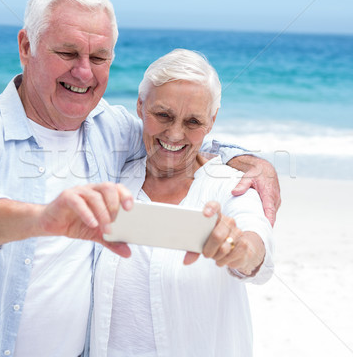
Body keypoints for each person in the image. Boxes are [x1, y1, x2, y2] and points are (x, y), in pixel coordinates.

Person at [0, 0, 280, 357]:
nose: (83, 73)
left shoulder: (113, 129)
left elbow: (177, 140)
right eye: (67, 52)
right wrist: (44, 219)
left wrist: (253, 162)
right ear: (26, 47)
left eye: (98, 58)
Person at [88, 49, 274, 356]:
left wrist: (237, 248)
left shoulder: (230, 187)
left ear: (212, 121)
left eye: (193, 121)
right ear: (140, 106)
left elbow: (257, 250)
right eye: (163, 115)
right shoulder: (115, 179)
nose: (174, 134)